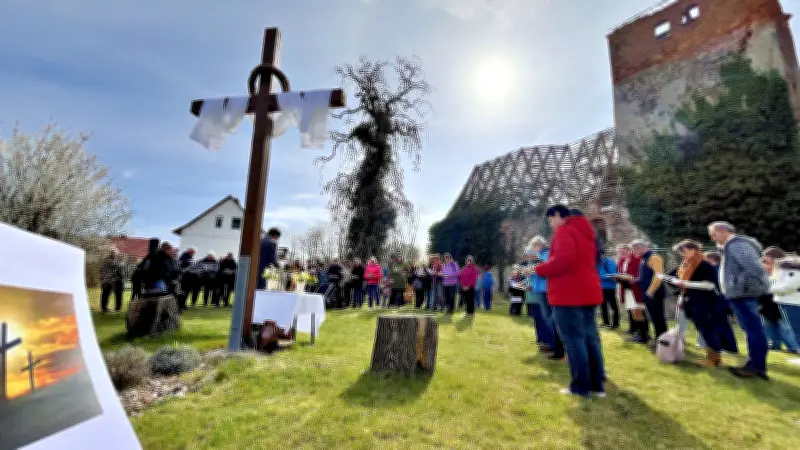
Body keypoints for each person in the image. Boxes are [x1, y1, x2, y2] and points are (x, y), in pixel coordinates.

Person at [533, 205, 605, 398]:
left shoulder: (565, 230)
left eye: (551, 220)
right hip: (588, 292)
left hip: (568, 294)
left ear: (558, 215)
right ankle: (597, 386)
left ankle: (580, 387)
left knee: (573, 340)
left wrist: (538, 270)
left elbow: (563, 260)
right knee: (590, 339)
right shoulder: (589, 234)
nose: (551, 224)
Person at [709, 221, 771, 380]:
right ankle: (756, 365)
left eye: (713, 234)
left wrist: (737, 285)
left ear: (723, 231)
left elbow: (756, 269)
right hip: (740, 294)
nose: (712, 237)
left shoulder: (737, 245)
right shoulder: (731, 246)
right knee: (751, 329)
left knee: (754, 330)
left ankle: (755, 367)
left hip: (743, 294)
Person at [663, 240, 738, 367]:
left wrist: (684, 284)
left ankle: (714, 359)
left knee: (708, 330)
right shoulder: (686, 264)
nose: (682, 254)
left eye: (684, 251)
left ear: (694, 250)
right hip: (692, 302)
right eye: (681, 252)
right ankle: (711, 357)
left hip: (705, 303)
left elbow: (709, 285)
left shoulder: (704, 265)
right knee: (703, 329)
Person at [760, 248, 799, 353]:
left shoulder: (785, 271)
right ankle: (774, 344)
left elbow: (785, 287)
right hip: (766, 306)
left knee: (786, 328)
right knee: (769, 327)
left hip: (782, 304)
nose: (764, 263)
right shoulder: (765, 273)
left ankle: (794, 347)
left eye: (767, 261)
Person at [631, 240, 667, 346]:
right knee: (653, 317)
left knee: (658, 317)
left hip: (654, 293)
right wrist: (637, 280)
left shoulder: (654, 257)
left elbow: (658, 276)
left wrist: (651, 291)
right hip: (647, 293)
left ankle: (662, 340)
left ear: (641, 247)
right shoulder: (644, 258)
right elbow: (646, 277)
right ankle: (659, 339)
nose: (634, 252)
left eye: (634, 249)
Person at [597, 250, 620, 329]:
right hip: (601, 287)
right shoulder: (599, 262)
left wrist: (599, 276)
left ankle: (615, 324)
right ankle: (606, 322)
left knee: (612, 305)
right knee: (603, 306)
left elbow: (613, 275)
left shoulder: (609, 261)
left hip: (609, 287)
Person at [99, 247, 125, 313]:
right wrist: (103, 279)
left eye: (115, 252)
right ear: (110, 253)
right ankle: (104, 308)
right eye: (112, 252)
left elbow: (121, 269)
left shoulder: (119, 261)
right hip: (108, 280)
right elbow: (102, 271)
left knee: (118, 295)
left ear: (117, 253)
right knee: (105, 294)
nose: (113, 253)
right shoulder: (107, 261)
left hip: (117, 280)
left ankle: (117, 308)